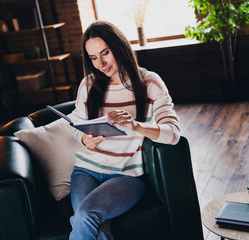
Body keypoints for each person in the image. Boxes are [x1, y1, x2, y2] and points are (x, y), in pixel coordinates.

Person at [70, 20, 180, 240]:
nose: (100, 63)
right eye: (93, 58)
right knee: (99, 228)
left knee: (84, 215)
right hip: (85, 171)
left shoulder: (150, 83)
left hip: (126, 176)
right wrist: (83, 139)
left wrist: (136, 125)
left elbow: (173, 133)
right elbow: (74, 125)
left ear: (119, 46)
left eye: (105, 53)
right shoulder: (88, 85)